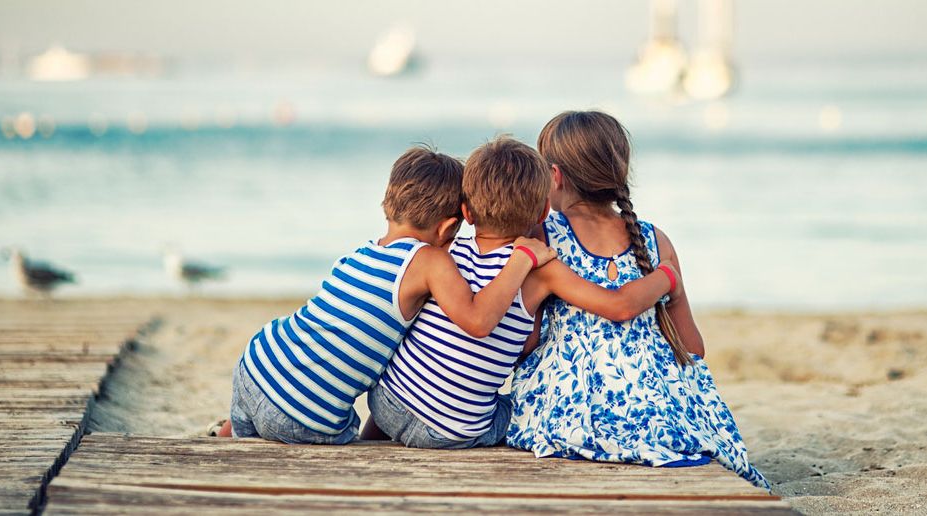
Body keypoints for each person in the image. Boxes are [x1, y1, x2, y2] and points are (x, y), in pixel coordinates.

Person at [219, 145, 555, 444]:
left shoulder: (358, 254)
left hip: (256, 363)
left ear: (388, 203)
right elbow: (477, 320)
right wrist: (522, 258)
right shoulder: (430, 262)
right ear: (447, 228)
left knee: (241, 440)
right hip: (302, 414)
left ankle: (228, 434)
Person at [507, 111, 769, 490]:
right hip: (660, 404)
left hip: (571, 406)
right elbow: (692, 349)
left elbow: (526, 342)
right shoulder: (654, 239)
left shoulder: (542, 238)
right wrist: (669, 286)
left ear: (555, 176)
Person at [364, 136, 679, 449]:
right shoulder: (539, 269)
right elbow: (618, 306)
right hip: (451, 433)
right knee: (516, 409)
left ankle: (368, 443)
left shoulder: (442, 252)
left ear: (466, 213)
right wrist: (666, 276)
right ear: (543, 213)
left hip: (387, 406)